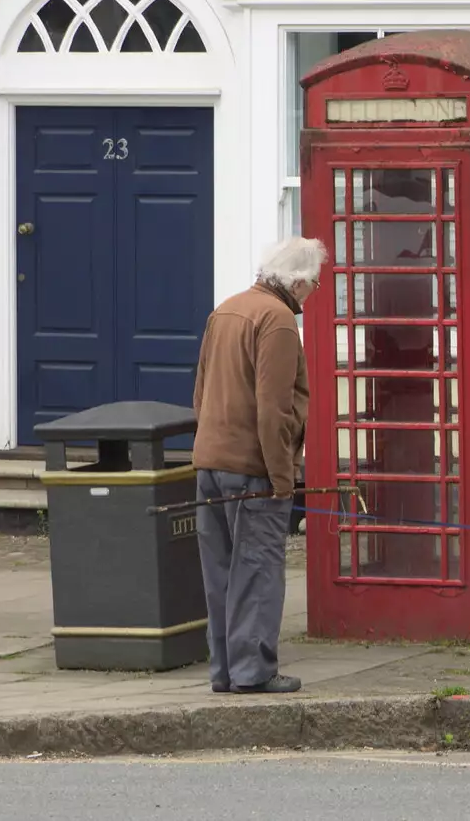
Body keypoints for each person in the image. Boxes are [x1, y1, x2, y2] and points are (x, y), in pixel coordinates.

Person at [191, 236, 327, 694]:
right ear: (300, 282)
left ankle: (224, 673)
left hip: (209, 462)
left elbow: (201, 390)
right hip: (253, 467)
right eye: (315, 286)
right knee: (258, 571)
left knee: (221, 575)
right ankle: (254, 673)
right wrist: (283, 478)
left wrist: (206, 447)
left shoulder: (226, 309)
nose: (313, 294)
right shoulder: (279, 320)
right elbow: (275, 409)